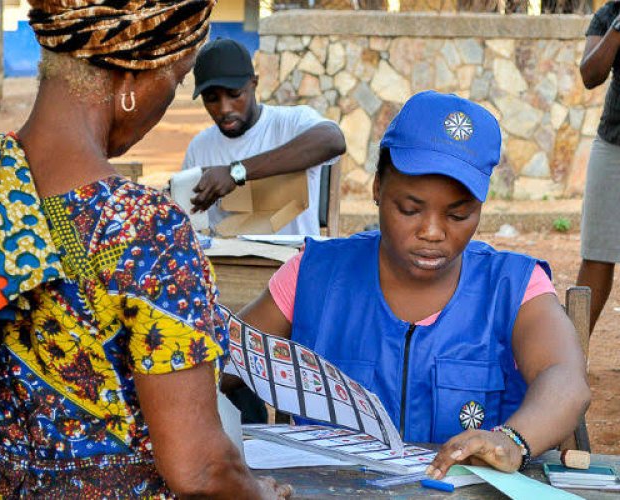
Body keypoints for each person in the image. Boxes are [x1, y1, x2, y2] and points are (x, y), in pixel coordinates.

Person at [0, 1, 290, 498]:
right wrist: (259, 491)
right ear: (132, 80)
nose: (166, 102)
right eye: (174, 82)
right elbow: (198, 469)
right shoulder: (146, 229)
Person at [238, 91, 590, 479]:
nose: (432, 232)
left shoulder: (513, 286)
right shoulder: (315, 274)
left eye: (459, 215)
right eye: (409, 209)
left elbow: (565, 378)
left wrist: (511, 440)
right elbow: (220, 359)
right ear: (376, 189)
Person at [181, 38, 346, 235]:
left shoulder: (290, 123)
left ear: (254, 83)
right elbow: (189, 224)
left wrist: (236, 173)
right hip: (227, 264)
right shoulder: (200, 148)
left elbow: (333, 140)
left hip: (293, 261)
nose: (224, 109)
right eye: (211, 99)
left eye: (234, 94)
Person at [576, 2, 620, 335]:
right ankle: (567, 355)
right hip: (613, 144)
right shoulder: (608, 15)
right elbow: (590, 75)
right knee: (596, 255)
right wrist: (618, 28)